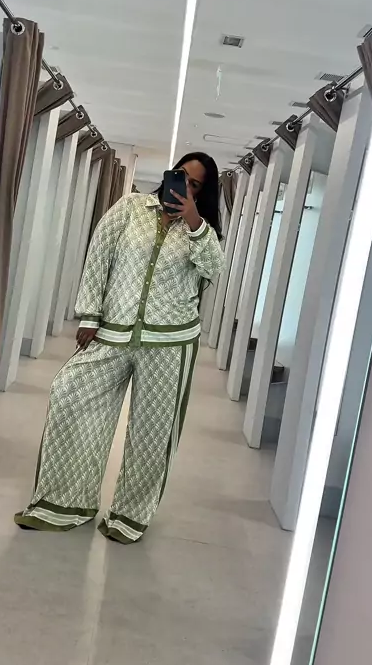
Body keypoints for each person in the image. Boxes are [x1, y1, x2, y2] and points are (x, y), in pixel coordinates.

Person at [15, 152, 225, 543]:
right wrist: (90, 315)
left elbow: (212, 268)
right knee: (70, 396)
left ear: (203, 192)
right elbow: (99, 257)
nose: (184, 186)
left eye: (194, 184)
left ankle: (129, 515)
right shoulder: (131, 208)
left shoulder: (202, 231)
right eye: (181, 176)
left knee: (152, 432)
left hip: (170, 343)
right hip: (113, 331)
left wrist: (194, 220)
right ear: (171, 173)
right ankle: (65, 502)